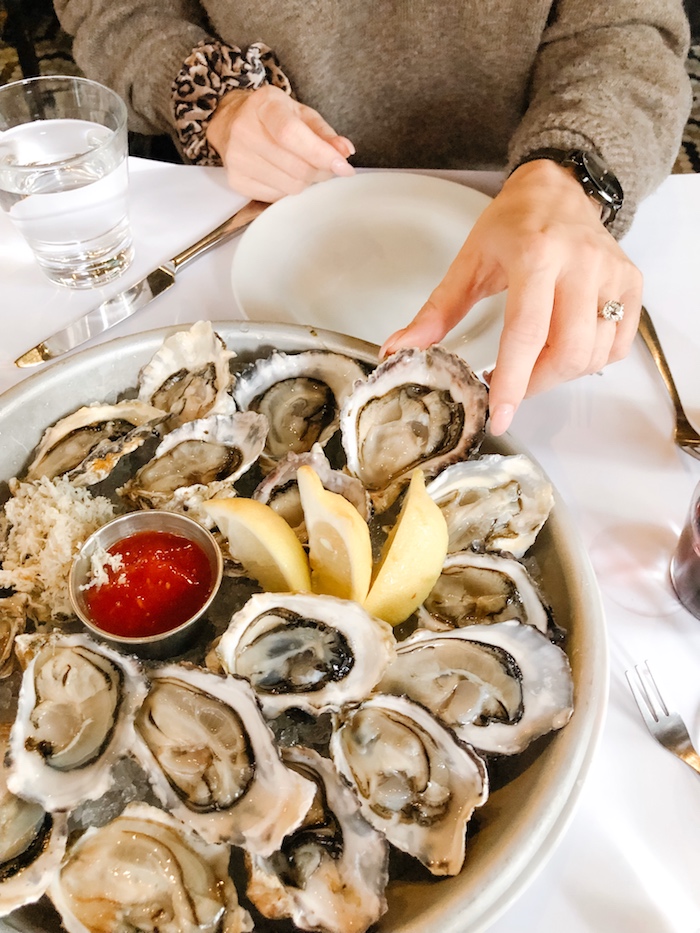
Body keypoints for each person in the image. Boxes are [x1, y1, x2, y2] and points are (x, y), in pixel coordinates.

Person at [55, 0, 692, 434]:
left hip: (528, 192)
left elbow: (628, 28)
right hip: (247, 188)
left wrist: (574, 167)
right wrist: (210, 93)